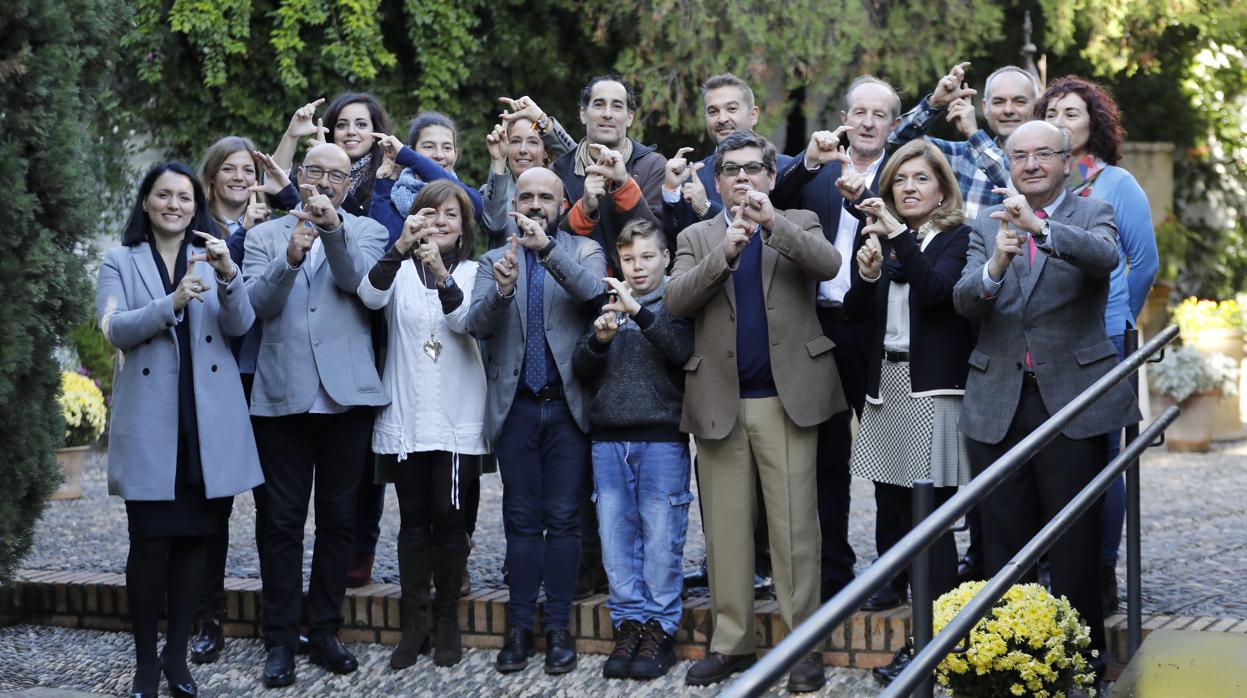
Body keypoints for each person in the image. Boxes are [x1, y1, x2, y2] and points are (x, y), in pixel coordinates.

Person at [952, 120, 1141, 685]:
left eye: (1043, 154)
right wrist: (997, 264)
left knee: (1074, 540)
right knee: (1005, 536)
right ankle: (1018, 664)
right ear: (1007, 164)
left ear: (1066, 162)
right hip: (999, 398)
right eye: (1019, 156)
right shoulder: (987, 224)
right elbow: (965, 299)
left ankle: (1080, 664)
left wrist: (1041, 228)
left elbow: (1104, 258)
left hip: (1071, 399)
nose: (1030, 164)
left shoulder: (1091, 211)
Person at [666, 131, 842, 692]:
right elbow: (675, 299)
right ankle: (732, 643)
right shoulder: (697, 235)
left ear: (771, 175)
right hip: (719, 403)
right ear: (716, 182)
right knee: (726, 534)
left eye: (754, 169)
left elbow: (828, 263)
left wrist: (772, 225)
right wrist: (726, 254)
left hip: (784, 402)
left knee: (795, 534)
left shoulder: (799, 222)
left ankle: (803, 647)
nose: (743, 178)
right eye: (732, 170)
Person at [96, 162, 264, 698]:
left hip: (207, 423)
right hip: (151, 424)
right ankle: (147, 663)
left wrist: (229, 274)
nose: (174, 204)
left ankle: (177, 660)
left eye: (185, 197)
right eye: (163, 195)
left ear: (197, 206)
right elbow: (115, 329)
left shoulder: (214, 254)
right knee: (149, 546)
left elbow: (240, 326)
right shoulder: (118, 260)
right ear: (145, 202)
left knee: (197, 544)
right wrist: (170, 303)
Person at [243, 143, 390, 688]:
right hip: (281, 399)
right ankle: (280, 639)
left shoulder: (368, 231)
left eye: (336, 174)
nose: (325, 182)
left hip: (346, 400)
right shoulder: (262, 237)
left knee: (338, 521)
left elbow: (359, 283)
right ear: (299, 177)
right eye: (316, 172)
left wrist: (329, 233)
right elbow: (256, 307)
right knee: (279, 524)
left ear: (348, 184)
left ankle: (324, 630)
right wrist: (290, 257)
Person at [841, 141, 975, 685]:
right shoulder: (885, 240)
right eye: (900, 181)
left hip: (930, 392)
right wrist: (868, 274)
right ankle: (918, 633)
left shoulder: (957, 238)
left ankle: (933, 642)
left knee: (930, 520)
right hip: (886, 385)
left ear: (941, 188)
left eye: (922, 179)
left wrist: (894, 239)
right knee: (894, 514)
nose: (910, 188)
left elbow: (939, 293)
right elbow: (855, 316)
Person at [465, 167, 606, 675]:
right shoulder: (491, 259)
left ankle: (560, 628)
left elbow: (595, 296)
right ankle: (520, 627)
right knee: (521, 522)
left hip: (567, 408)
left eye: (546, 196)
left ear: (563, 202)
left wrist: (547, 249)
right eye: (526, 195)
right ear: (513, 203)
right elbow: (475, 326)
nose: (535, 203)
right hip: (517, 408)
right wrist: (502, 292)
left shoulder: (582, 251)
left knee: (564, 520)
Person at [772, 75, 902, 604]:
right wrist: (805, 163)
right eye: (859, 112)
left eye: (879, 114)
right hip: (818, 326)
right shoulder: (821, 166)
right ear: (845, 117)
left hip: (880, 326)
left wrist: (865, 194)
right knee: (826, 457)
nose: (868, 122)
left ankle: (893, 574)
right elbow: (772, 199)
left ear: (894, 122)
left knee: (891, 457)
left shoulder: (904, 171)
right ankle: (833, 573)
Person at [1038, 75, 1159, 613]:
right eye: (1054, 112)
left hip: (1103, 336)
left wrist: (1119, 315)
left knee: (1105, 459)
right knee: (1051, 454)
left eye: (1073, 113)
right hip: (1043, 337)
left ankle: (1103, 568)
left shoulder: (1117, 184)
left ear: (1094, 124)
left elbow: (1144, 262)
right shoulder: (1035, 181)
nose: (1063, 120)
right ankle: (1054, 565)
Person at [357, 180, 486, 669]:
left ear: (464, 226)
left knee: (450, 520)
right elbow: (370, 297)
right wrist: (401, 248)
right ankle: (415, 624)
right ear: (415, 220)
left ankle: (447, 618)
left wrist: (441, 272)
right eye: (430, 214)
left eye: (451, 215)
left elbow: (463, 323)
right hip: (407, 413)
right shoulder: (400, 274)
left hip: (456, 417)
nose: (440, 222)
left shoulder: (476, 271)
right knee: (412, 522)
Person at [189, 136, 296, 665]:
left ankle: (281, 620)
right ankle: (206, 617)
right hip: (217, 378)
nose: (237, 176)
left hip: (264, 374)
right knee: (214, 504)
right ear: (211, 177)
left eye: (245, 169)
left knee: (276, 507)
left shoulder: (268, 222)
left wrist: (294, 137)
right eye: (227, 169)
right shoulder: (194, 230)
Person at [571, 219, 693, 680]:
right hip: (608, 440)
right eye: (628, 259)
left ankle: (661, 628)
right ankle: (629, 625)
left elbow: (681, 350)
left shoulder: (675, 302)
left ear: (665, 258)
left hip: (661, 438)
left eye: (646, 257)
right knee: (616, 539)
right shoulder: (606, 305)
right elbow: (582, 368)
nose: (637, 267)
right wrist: (600, 342)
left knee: (661, 538)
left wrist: (638, 311)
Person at [889, 63, 1041, 221]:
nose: (1008, 110)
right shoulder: (960, 156)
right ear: (985, 107)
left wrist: (974, 134)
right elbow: (896, 140)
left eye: (1019, 101)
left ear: (1036, 107)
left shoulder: (1046, 160)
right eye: (998, 102)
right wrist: (935, 103)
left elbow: (1016, 182)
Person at [661, 74, 793, 243]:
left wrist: (706, 208)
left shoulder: (784, 169)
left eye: (731, 109)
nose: (722, 119)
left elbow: (794, 236)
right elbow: (676, 245)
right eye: (713, 111)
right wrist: (671, 191)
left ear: (753, 115)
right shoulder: (695, 178)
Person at [552, 74, 666, 267]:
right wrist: (585, 209)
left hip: (637, 292)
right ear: (583, 114)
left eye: (617, 106)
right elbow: (551, 246)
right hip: (576, 292)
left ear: (630, 117)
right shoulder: (558, 173)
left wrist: (624, 185)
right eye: (599, 104)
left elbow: (661, 241)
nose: (608, 114)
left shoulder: (653, 166)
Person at [369, 112, 487, 247]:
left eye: (447, 148)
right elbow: (379, 244)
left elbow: (476, 207)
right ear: (413, 151)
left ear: (455, 154)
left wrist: (409, 157)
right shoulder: (393, 195)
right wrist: (383, 184)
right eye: (429, 147)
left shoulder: (464, 196)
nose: (439, 155)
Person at [272, 92, 393, 217]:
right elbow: (275, 193)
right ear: (332, 132)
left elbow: (372, 223)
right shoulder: (312, 171)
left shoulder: (387, 177)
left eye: (361, 124)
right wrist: (291, 135)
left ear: (375, 133)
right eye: (342, 125)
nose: (351, 131)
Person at [481, 95, 578, 245]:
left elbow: (579, 164)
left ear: (546, 150)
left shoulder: (564, 190)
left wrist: (542, 120)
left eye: (533, 142)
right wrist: (497, 161)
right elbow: (493, 226)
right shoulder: (492, 192)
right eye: (515, 141)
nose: (522, 150)